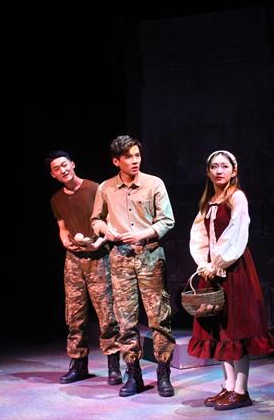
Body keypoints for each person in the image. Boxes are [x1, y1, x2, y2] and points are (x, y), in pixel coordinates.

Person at [187, 150, 274, 411]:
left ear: (234, 171)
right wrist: (204, 264)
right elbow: (199, 235)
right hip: (213, 270)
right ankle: (228, 386)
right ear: (208, 172)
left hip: (233, 268)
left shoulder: (237, 197)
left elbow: (235, 234)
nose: (219, 171)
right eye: (214, 167)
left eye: (224, 166)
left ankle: (241, 390)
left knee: (236, 329)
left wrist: (218, 263)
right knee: (219, 329)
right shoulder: (209, 201)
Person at [91, 135, 176, 397]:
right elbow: (96, 220)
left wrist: (142, 234)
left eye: (137, 155)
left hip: (149, 254)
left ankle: (163, 373)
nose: (135, 160)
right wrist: (105, 230)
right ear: (116, 161)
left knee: (158, 317)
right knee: (125, 320)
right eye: (128, 157)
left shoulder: (154, 183)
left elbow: (167, 220)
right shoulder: (106, 187)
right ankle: (133, 374)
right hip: (120, 257)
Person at [46, 150, 122, 385]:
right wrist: (65, 240)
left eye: (64, 165)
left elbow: (109, 221)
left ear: (73, 164)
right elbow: (62, 227)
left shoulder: (94, 189)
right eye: (56, 169)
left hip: (98, 256)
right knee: (74, 314)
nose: (62, 170)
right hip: (74, 259)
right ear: (53, 175)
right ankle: (78, 364)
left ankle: (113, 365)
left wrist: (100, 241)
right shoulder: (56, 199)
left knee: (106, 314)